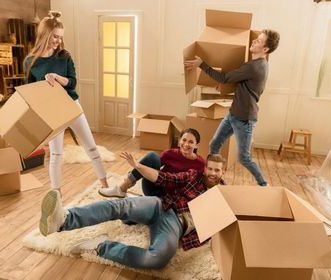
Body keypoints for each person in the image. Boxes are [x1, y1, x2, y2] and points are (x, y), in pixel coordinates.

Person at [38, 153, 226, 269]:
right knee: (121, 205)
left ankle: (102, 246)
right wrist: (138, 166)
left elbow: (216, 229)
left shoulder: (225, 197)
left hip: (175, 226)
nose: (212, 173)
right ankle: (64, 219)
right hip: (162, 206)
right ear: (205, 167)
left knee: (157, 259)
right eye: (210, 168)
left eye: (217, 170)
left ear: (223, 172)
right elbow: (166, 178)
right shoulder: (194, 175)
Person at [24, 11, 110, 191]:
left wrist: (56, 77)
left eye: (60, 37)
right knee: (56, 154)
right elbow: (30, 91)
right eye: (54, 36)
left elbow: (72, 83)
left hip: (72, 105)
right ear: (44, 34)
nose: (57, 41)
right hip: (52, 111)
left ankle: (105, 185)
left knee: (91, 147)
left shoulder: (65, 56)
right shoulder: (30, 61)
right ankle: (57, 194)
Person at [184, 29, 280, 187]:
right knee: (214, 145)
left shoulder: (256, 66)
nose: (254, 41)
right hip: (233, 114)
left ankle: (264, 185)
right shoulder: (256, 63)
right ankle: (213, 175)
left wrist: (202, 64)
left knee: (244, 158)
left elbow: (224, 77)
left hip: (244, 119)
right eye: (256, 38)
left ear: (265, 49)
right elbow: (243, 84)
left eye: (259, 41)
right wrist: (224, 85)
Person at [98, 128, 206, 198]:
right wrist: (134, 170)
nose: (186, 144)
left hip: (176, 198)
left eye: (191, 142)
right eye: (184, 140)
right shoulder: (170, 153)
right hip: (155, 189)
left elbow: (208, 182)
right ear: (179, 141)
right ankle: (121, 189)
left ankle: (138, 199)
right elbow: (150, 164)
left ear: (196, 145)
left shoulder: (201, 164)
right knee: (153, 156)